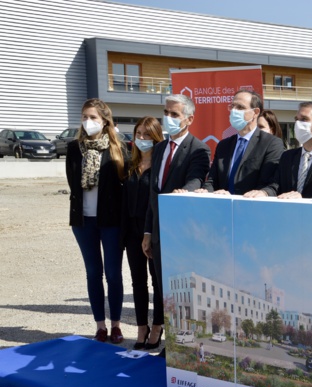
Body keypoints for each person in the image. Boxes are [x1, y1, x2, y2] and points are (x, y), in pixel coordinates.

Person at [142, 94, 210, 350]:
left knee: (183, 296)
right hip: (159, 233)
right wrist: (148, 232)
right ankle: (172, 347)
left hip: (182, 234)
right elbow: (153, 195)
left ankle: (187, 347)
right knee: (163, 292)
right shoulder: (159, 148)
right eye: (166, 113)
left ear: (189, 119)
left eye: (174, 114)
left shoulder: (199, 149)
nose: (167, 119)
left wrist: (185, 191)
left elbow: (195, 182)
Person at [66, 98, 128, 344]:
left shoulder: (119, 148)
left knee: (113, 274)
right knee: (93, 273)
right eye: (84, 117)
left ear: (105, 121)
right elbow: (72, 183)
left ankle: (116, 325)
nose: (88, 122)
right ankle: (100, 326)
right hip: (83, 221)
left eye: (93, 117)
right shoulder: (74, 148)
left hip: (111, 221)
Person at [122, 116, 164, 350]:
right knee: (138, 282)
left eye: (147, 134)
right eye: (139, 134)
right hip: (131, 232)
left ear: (156, 137)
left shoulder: (160, 168)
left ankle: (157, 325)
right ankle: (141, 327)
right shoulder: (130, 166)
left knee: (157, 282)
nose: (142, 139)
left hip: (154, 231)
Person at [198, 90, 283, 195]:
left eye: (240, 107)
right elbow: (212, 180)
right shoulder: (224, 145)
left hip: (251, 205)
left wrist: (263, 193)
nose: (234, 111)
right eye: (232, 106)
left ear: (255, 112)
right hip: (222, 205)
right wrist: (205, 191)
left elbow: (271, 183)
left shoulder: (271, 143)